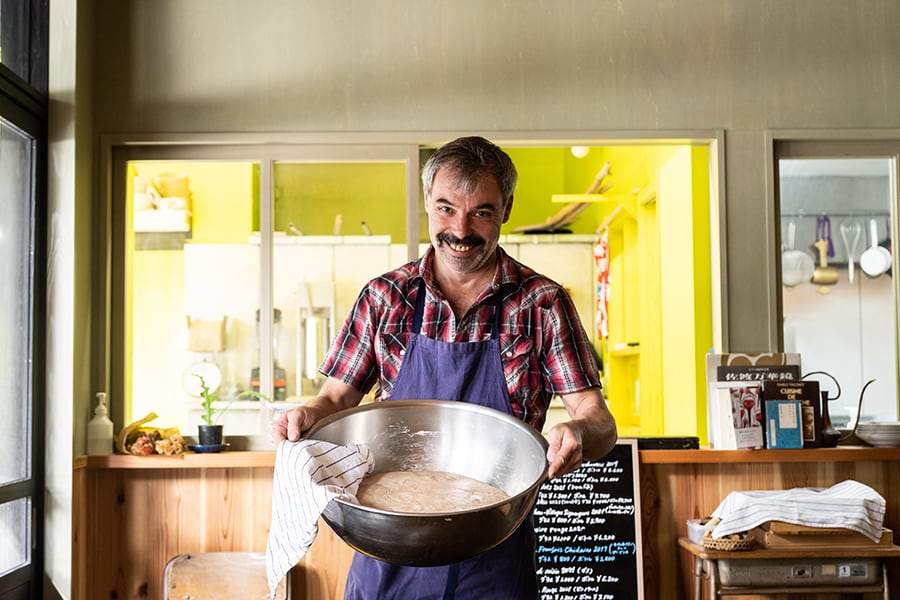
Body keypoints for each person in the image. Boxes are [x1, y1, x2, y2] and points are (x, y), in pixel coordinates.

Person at [273, 135, 617, 599]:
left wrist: (580, 432)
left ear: (507, 209)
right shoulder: (385, 297)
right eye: (446, 208)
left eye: (482, 211)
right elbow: (335, 399)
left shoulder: (542, 304)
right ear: (427, 204)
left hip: (494, 551)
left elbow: (599, 420)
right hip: (388, 549)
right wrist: (308, 415)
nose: (461, 229)